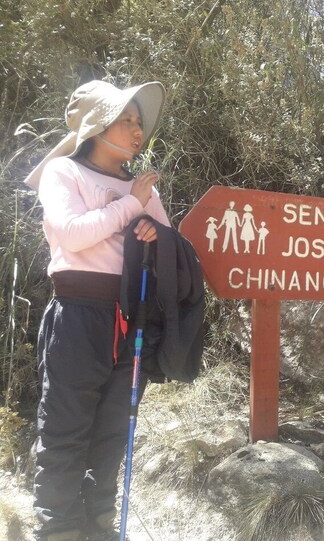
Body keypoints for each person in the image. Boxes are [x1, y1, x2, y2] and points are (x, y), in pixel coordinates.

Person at [24, 79, 169, 541]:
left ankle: (100, 520)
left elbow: (171, 250)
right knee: (66, 426)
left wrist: (153, 233)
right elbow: (70, 234)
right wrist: (131, 208)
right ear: (95, 124)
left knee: (112, 429)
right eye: (124, 119)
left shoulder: (142, 188)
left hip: (132, 317)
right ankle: (60, 528)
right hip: (77, 314)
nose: (135, 130)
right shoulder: (63, 173)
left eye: (138, 122)